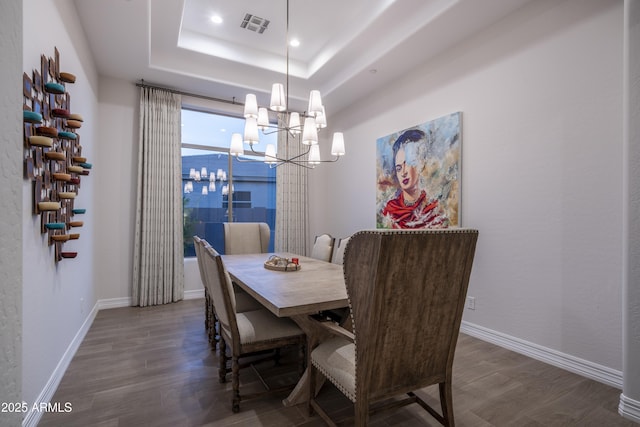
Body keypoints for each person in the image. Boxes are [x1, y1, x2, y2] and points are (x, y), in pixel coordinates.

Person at [381, 129, 448, 229]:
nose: (403, 173)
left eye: (407, 164)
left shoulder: (433, 210)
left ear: (420, 164)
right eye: (398, 168)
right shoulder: (390, 210)